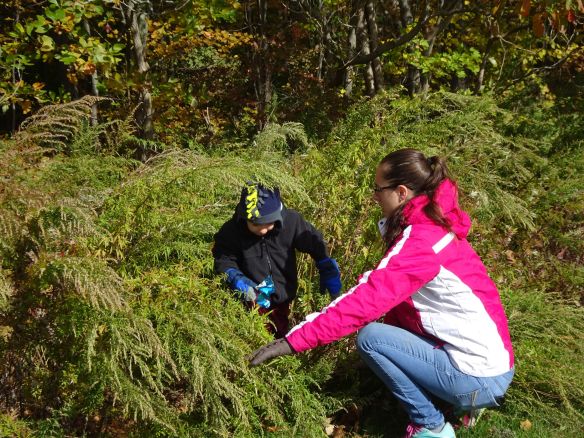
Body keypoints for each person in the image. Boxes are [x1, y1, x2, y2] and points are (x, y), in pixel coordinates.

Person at [248, 149, 515, 438]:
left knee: (372, 338)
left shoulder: (420, 244)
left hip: (478, 377)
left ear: (401, 192)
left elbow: (363, 302)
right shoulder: (436, 226)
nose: (374, 196)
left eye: (378, 188)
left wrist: (291, 341)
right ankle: (458, 401)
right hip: (494, 365)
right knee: (390, 335)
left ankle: (432, 426)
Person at [213, 181, 342, 338]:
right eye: (255, 224)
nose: (262, 229)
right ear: (243, 217)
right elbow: (223, 259)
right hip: (253, 296)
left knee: (279, 333)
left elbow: (313, 241)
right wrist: (235, 277)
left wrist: (325, 263)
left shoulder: (291, 222)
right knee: (254, 337)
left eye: (268, 224)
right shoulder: (232, 231)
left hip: (282, 296)